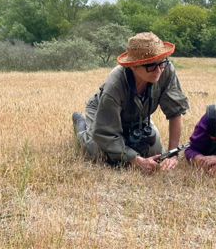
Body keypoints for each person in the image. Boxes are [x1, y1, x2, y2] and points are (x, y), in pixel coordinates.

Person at [71, 32, 190, 174]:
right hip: (102, 111)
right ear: (133, 66)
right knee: (99, 154)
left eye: (162, 62)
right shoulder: (114, 85)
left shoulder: (166, 69)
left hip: (137, 114)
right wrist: (136, 160)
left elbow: (175, 111)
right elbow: (105, 133)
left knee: (154, 150)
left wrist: (172, 154)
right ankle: (80, 125)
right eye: (151, 65)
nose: (159, 70)